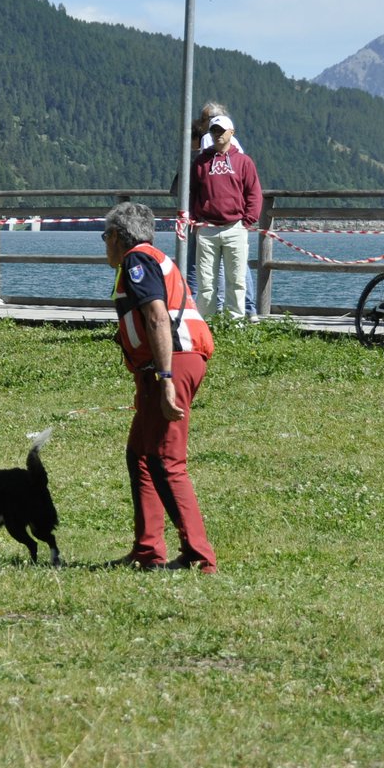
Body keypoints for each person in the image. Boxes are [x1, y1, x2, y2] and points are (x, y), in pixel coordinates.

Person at [101, 201, 216, 573]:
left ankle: (200, 557)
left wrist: (165, 380)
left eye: (106, 236)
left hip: (174, 364)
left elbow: (155, 317)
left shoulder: (137, 261)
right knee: (140, 454)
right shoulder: (149, 258)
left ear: (117, 236)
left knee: (167, 459)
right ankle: (149, 550)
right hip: (167, 365)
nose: (105, 244)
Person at [189, 113, 262, 321]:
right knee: (206, 282)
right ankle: (207, 322)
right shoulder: (201, 162)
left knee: (237, 280)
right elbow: (193, 192)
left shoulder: (244, 162)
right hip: (207, 229)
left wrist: (247, 220)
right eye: (213, 131)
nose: (217, 135)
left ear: (232, 132)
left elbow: (254, 193)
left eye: (221, 131)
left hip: (235, 228)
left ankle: (236, 323)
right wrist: (195, 218)